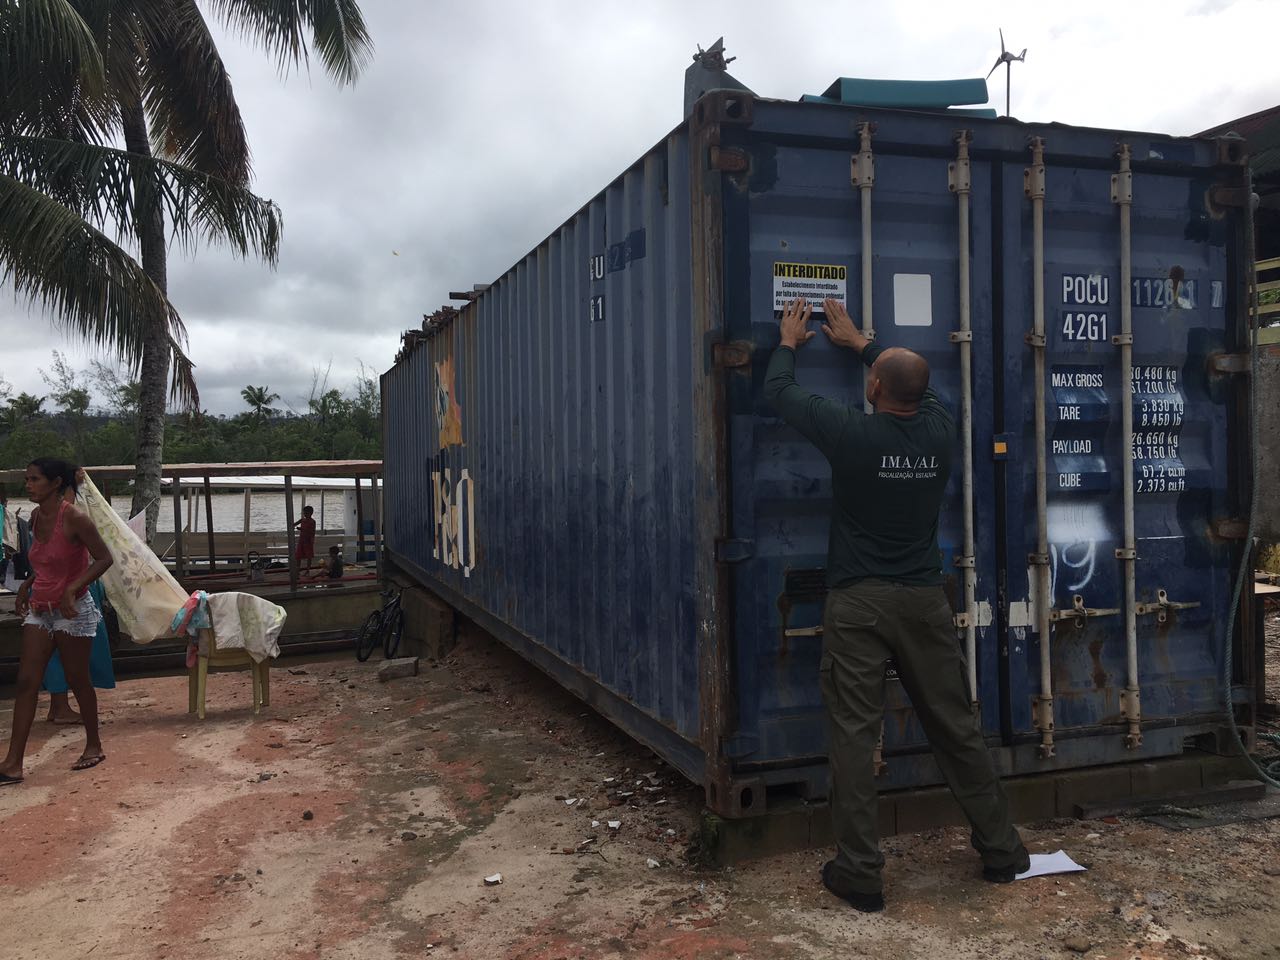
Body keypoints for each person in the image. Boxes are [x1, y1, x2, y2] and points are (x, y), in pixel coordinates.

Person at [764, 297, 1029, 912]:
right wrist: (865, 344)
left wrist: (789, 342)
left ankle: (860, 873)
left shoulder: (851, 433)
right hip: (923, 602)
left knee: (855, 739)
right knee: (956, 727)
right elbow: (917, 385)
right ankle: (1002, 851)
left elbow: (780, 392)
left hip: (858, 604)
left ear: (875, 388)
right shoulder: (940, 428)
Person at [0, 458, 114, 785]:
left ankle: (94, 745)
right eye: (27, 479)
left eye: (34, 479)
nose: (28, 485)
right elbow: (45, 561)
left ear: (55, 483)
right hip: (40, 608)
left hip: (72, 611)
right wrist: (27, 584)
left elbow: (104, 558)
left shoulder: (74, 518)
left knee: (78, 679)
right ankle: (12, 763)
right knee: (26, 681)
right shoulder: (36, 517)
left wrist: (73, 588)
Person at [44, 473, 116, 724]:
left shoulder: (45, 516)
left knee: (57, 649)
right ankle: (62, 708)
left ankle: (58, 706)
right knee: (67, 650)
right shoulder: (65, 516)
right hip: (66, 591)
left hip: (58, 588)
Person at [293, 504, 317, 573]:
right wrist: (293, 525)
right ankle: (298, 569)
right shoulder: (302, 520)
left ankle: (308, 570)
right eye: (304, 513)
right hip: (301, 540)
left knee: (309, 556)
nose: (305, 514)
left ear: (311, 513)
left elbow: (312, 531)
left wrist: (301, 529)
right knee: (298, 555)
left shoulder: (312, 521)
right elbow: (294, 524)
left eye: (306, 513)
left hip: (308, 540)